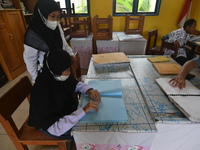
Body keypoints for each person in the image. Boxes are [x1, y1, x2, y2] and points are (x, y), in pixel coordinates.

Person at [28, 49, 101, 140]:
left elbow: (75, 84)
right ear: (56, 70)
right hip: (53, 127)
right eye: (67, 70)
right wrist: (84, 110)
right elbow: (56, 128)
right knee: (92, 132)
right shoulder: (42, 92)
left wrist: (89, 90)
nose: (69, 72)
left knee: (93, 121)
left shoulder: (55, 77)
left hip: (64, 114)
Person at [23, 0, 74, 83]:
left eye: (58, 17)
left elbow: (63, 43)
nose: (55, 20)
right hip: (46, 72)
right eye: (52, 16)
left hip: (61, 67)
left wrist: (71, 54)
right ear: (41, 14)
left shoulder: (56, 26)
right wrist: (37, 80)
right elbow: (30, 60)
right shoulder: (33, 35)